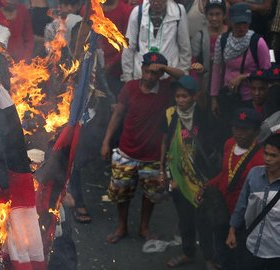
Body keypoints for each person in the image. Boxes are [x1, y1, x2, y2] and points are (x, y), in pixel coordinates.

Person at [101, 52, 184, 243]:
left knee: (151, 195)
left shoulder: (166, 89)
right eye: (146, 71)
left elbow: (184, 76)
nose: (148, 76)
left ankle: (144, 227)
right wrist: (106, 141)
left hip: (153, 155)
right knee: (122, 193)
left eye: (154, 74)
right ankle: (122, 226)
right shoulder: (130, 87)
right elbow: (117, 115)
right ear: (142, 69)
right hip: (126, 151)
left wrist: (163, 68)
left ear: (160, 75)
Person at [159, 76, 214, 268]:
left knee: (204, 220)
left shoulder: (202, 113)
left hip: (201, 177)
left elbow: (206, 98)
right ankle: (188, 253)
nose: (181, 100)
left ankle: (209, 258)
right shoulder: (170, 115)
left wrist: (201, 75)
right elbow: (165, 142)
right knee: (185, 220)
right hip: (179, 176)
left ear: (194, 97)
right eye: (178, 96)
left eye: (185, 96)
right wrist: (162, 170)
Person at [200, 107, 265, 269]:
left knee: (239, 253)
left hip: (243, 215)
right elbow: (224, 174)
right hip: (223, 209)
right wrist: (207, 186)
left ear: (256, 132)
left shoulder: (262, 157)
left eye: (245, 129)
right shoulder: (229, 144)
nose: (239, 133)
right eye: (236, 128)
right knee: (222, 247)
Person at [210, 3, 271, 142]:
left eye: (244, 23)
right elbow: (217, 69)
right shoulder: (223, 40)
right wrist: (214, 97)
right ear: (231, 22)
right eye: (237, 23)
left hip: (250, 98)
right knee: (227, 133)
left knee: (248, 135)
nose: (241, 27)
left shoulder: (258, 42)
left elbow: (267, 72)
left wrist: (244, 77)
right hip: (228, 97)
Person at [226, 133, 280, 270]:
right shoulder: (254, 174)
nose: (267, 159)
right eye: (266, 154)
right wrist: (232, 230)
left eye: (273, 156)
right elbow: (241, 204)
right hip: (251, 246)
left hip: (276, 253)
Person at [121, 0, 191, 82]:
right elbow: (129, 47)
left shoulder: (178, 11)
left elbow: (185, 48)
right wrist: (128, 79)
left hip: (168, 77)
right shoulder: (138, 12)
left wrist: (182, 76)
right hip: (142, 76)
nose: (156, 3)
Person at [189, 0, 227, 109]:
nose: (214, 18)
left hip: (224, 82)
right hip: (204, 82)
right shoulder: (199, 36)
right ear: (206, 15)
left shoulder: (230, 34)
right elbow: (193, 62)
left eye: (218, 14)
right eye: (211, 14)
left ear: (224, 15)